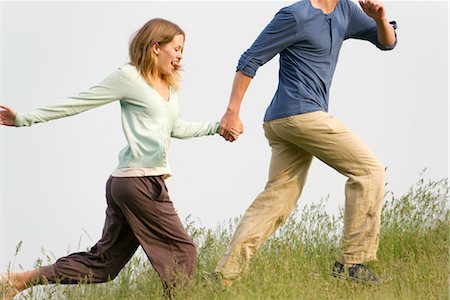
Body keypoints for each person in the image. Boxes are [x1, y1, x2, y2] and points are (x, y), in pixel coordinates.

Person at [0, 18, 228, 299]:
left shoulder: (169, 86)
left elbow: (176, 128)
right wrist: (24, 118)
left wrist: (216, 127)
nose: (181, 56)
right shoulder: (129, 77)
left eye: (183, 50)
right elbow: (79, 102)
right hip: (139, 183)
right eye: (177, 48)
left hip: (134, 183)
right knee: (182, 251)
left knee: (104, 265)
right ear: (156, 47)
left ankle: (20, 280)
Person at [216, 0, 397, 286]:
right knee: (369, 171)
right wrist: (232, 112)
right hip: (300, 115)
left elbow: (387, 42)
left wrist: (380, 19)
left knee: (276, 201)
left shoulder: (345, 11)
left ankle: (222, 278)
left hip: (286, 122)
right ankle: (352, 264)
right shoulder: (295, 15)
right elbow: (250, 59)